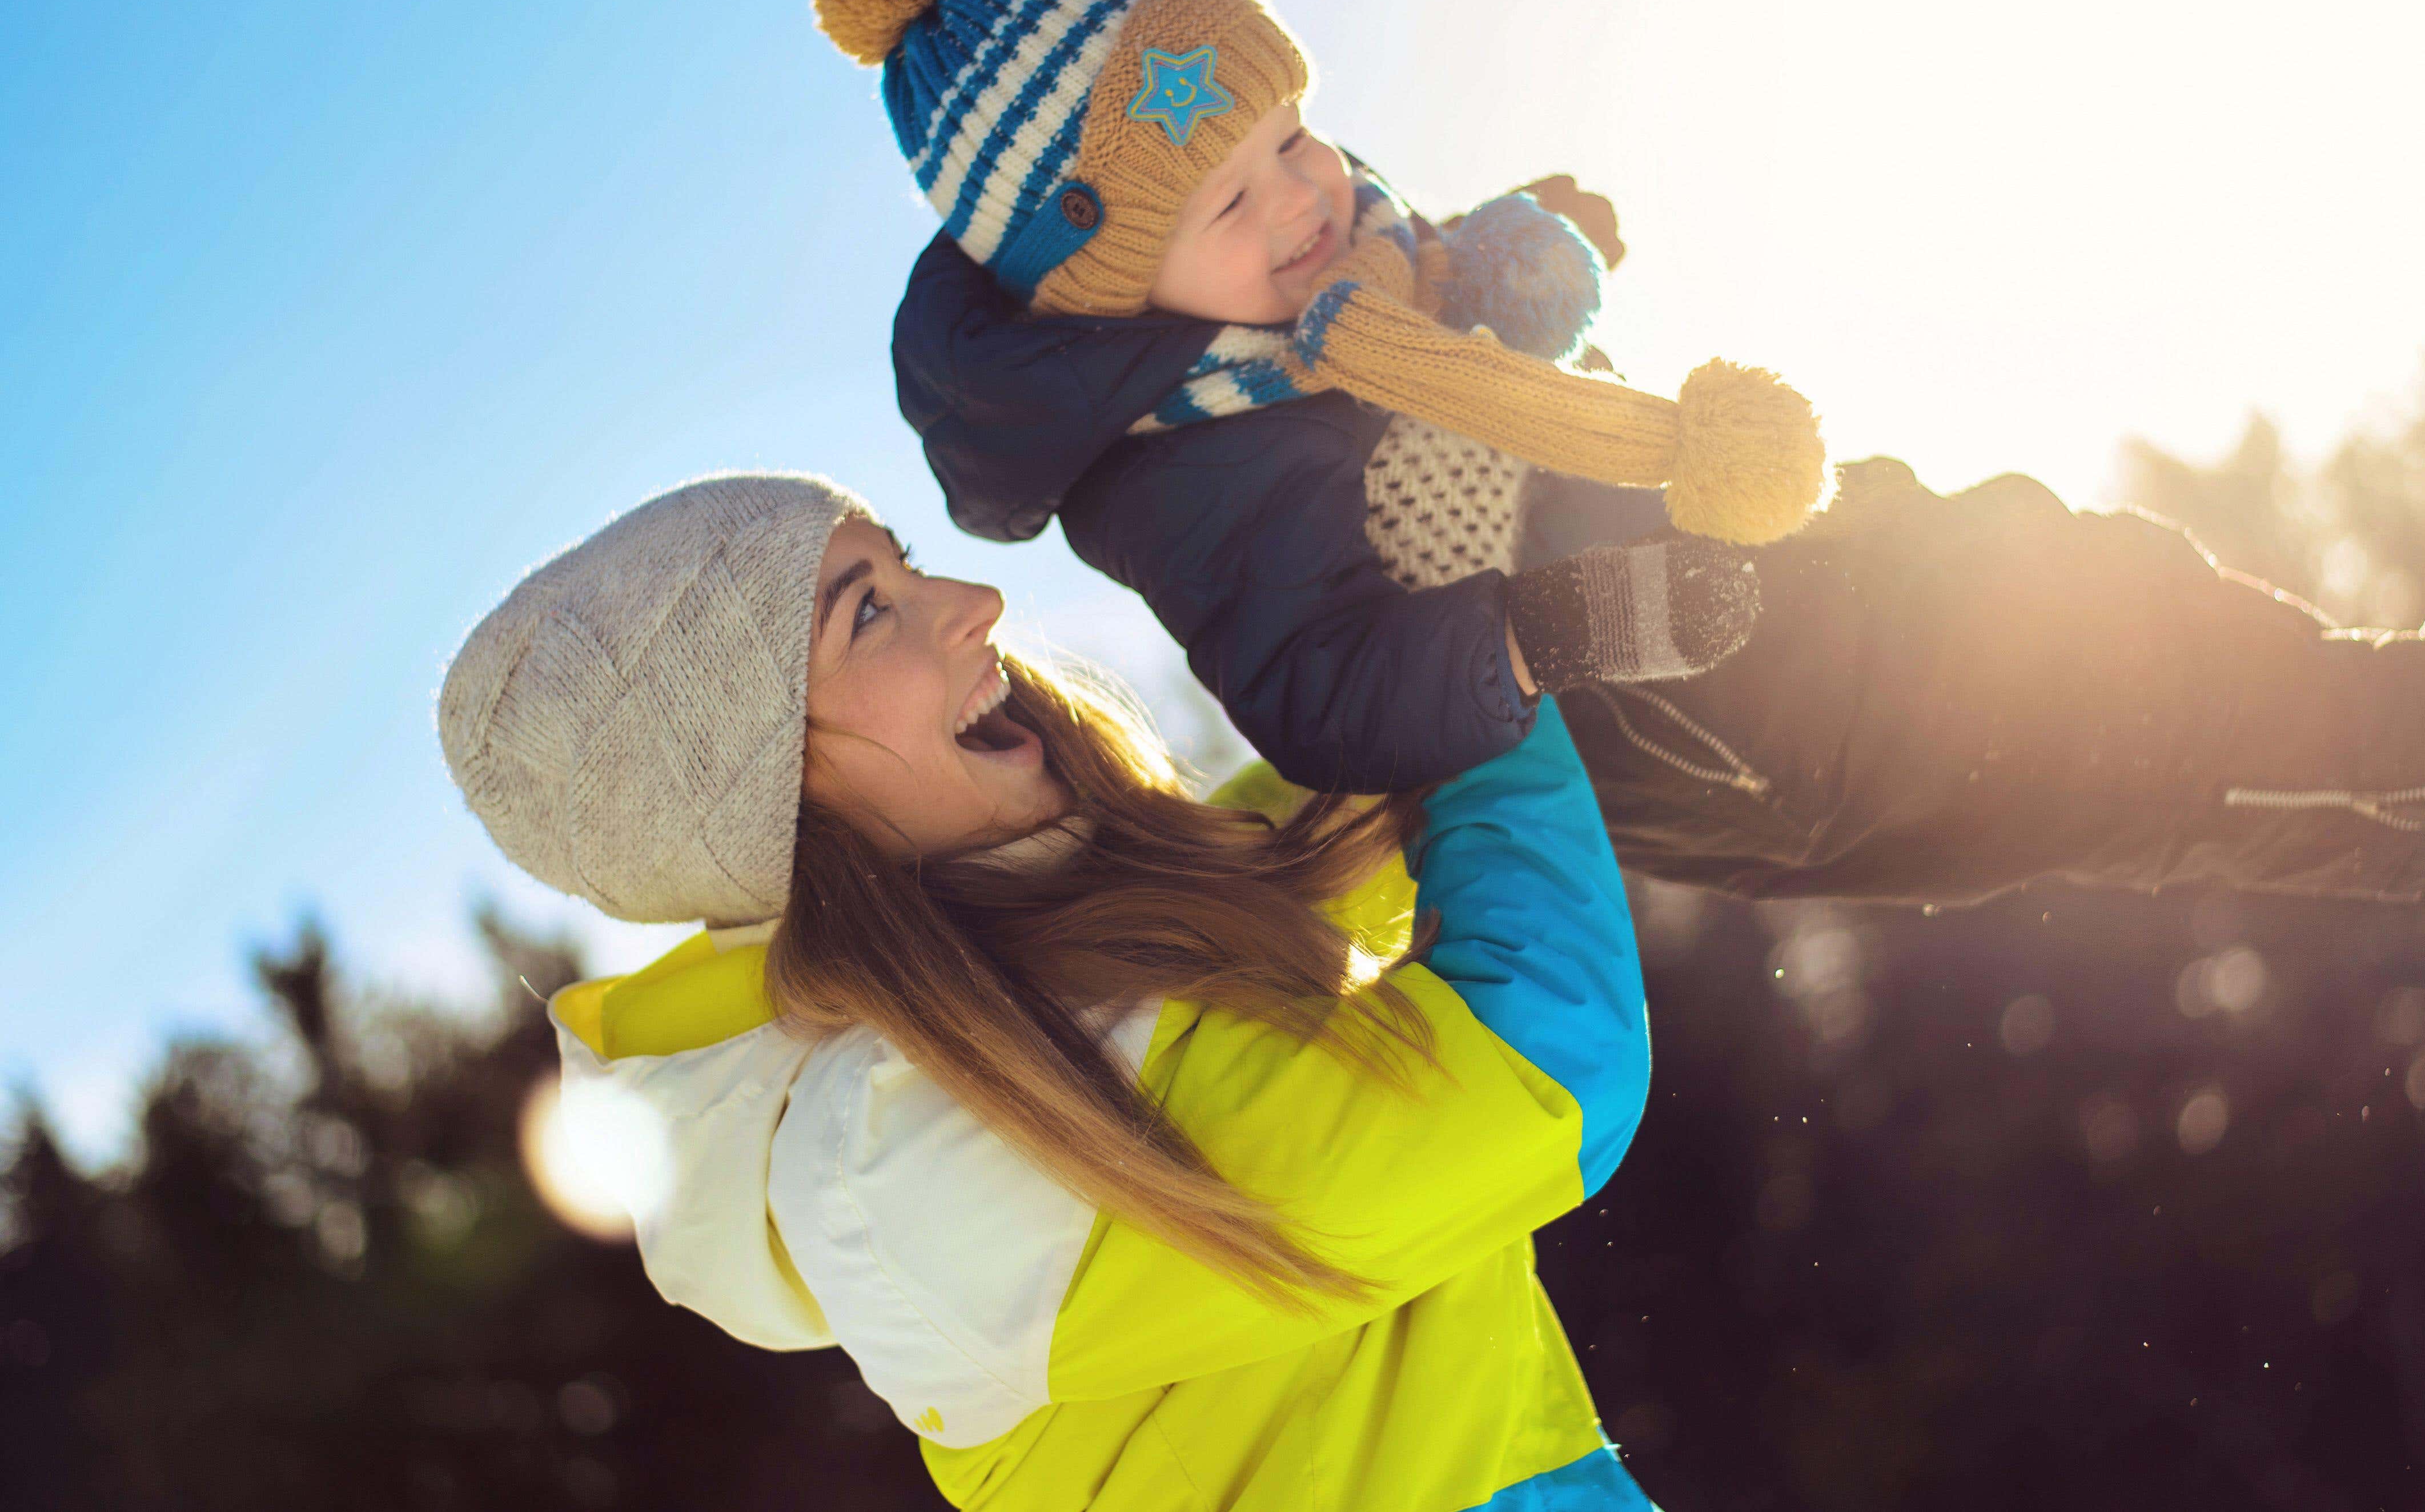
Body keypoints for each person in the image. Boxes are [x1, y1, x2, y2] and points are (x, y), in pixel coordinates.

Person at [820, 0, 2425, 905]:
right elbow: (1319, 686)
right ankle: (2393, 741)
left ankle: (2381, 786)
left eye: (1290, 135)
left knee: (2056, 583)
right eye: (1234, 195)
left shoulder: (1316, 272)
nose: (1304, 195)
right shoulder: (1181, 469)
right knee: (2064, 719)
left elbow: (1470, 316)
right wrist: (1557, 629)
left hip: (1742, 556)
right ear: (1111, 277)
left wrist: (1525, 243)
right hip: (1683, 705)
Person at [437, 473, 1657, 1511]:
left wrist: (1449, 550)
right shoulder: (908, 1164)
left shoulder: (1064, 939)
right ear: (767, 795)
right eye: (870, 614)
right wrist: (1489, 676)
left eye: (907, 570)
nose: (978, 606)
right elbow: (1543, 1061)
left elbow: (1318, 814)